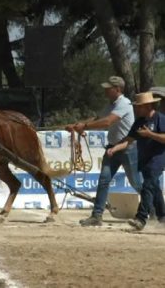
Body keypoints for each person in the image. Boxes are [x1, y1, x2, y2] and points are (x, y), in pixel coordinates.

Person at [65, 76, 142, 226]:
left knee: (136, 183)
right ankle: (97, 215)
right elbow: (98, 117)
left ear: (118, 89)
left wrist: (84, 126)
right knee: (104, 180)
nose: (106, 91)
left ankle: (155, 210)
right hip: (113, 147)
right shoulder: (112, 104)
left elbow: (107, 121)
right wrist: (78, 125)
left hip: (127, 147)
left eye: (109, 88)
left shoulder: (124, 104)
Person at [107, 91, 165, 230]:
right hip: (144, 160)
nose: (136, 109)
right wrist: (114, 148)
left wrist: (149, 134)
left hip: (158, 158)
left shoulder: (160, 118)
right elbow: (128, 141)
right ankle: (163, 216)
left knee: (147, 185)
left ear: (148, 106)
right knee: (154, 187)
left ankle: (141, 218)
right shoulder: (139, 122)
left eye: (139, 106)